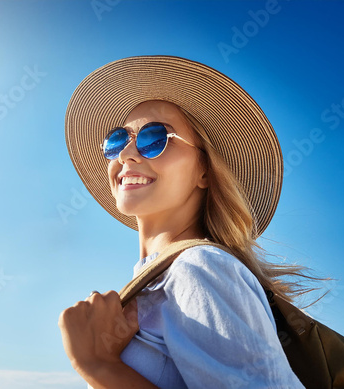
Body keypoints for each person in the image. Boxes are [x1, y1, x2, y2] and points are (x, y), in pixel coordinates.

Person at [59, 56, 307, 388]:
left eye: (154, 138)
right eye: (117, 140)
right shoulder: (161, 281)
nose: (126, 154)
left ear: (204, 171)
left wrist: (96, 364)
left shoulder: (200, 266)